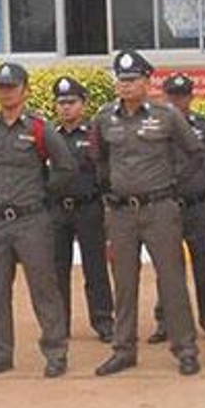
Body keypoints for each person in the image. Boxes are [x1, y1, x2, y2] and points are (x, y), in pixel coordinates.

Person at [91, 50, 203, 377]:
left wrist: (173, 185)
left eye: (132, 79)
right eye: (121, 80)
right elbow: (98, 159)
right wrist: (110, 187)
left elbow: (194, 154)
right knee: (124, 284)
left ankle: (185, 348)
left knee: (172, 281)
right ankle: (124, 349)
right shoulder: (104, 117)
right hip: (121, 213)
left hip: (160, 209)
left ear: (147, 81)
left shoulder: (167, 115)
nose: (125, 86)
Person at [0, 62, 75, 379]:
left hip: (32, 220)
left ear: (24, 90)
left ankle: (55, 351)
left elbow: (65, 167)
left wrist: (42, 192)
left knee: (44, 288)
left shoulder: (39, 128)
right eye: (1, 86)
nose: (6, 92)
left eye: (12, 87)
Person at [151, 73, 205, 345]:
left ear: (191, 97)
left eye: (182, 96)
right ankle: (165, 322)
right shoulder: (155, 127)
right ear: (164, 97)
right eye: (172, 96)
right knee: (167, 268)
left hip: (199, 206)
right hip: (166, 204)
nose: (177, 102)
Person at [49, 76, 115, 344]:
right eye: (61, 102)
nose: (66, 108)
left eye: (71, 102)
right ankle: (59, 324)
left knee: (95, 267)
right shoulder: (49, 135)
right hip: (57, 210)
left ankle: (103, 321)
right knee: (57, 269)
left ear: (83, 104)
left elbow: (107, 168)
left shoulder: (94, 135)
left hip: (88, 208)